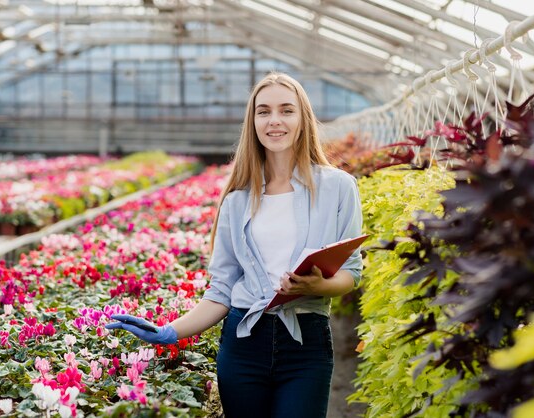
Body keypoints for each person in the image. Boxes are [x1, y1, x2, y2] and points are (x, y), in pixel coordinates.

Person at [105, 71, 363, 418]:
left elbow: (352, 273)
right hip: (243, 347)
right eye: (264, 111)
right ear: (252, 121)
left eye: (286, 110)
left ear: (303, 119)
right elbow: (222, 290)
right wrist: (169, 331)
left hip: (306, 345)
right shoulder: (238, 199)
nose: (275, 121)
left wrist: (320, 286)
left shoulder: (338, 188)